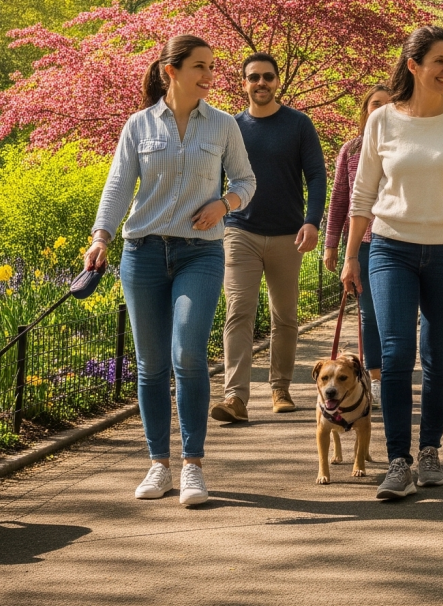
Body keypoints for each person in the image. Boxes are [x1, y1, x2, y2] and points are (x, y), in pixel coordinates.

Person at [87, 35, 256, 507]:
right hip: (141, 253)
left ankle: (193, 466)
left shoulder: (223, 126)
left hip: (200, 254)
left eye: (211, 66)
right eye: (200, 66)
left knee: (188, 354)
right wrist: (101, 237)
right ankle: (159, 463)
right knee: (151, 364)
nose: (209, 75)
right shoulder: (139, 126)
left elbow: (246, 180)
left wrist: (225, 204)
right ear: (171, 71)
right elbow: (118, 185)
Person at [342, 26, 443, 500]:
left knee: (437, 356)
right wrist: (350, 256)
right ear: (414, 65)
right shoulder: (382, 120)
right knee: (394, 354)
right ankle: (397, 460)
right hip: (391, 248)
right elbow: (363, 192)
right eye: (439, 61)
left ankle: (429, 451)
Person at [210, 53, 327, 423]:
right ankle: (235, 398)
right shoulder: (230, 127)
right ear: (243, 83)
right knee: (239, 311)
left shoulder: (298, 125)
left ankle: (280, 387)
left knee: (285, 316)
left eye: (267, 77)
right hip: (239, 231)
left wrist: (312, 222)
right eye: (253, 77)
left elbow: (317, 177)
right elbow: (212, 178)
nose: (260, 83)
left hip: (288, 235)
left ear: (277, 82)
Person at [325, 85, 394, 390]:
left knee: (393, 311)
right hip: (363, 241)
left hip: (396, 238)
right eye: (374, 104)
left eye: (387, 104)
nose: (380, 109)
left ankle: (394, 373)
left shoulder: (403, 144)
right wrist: (331, 246)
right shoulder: (351, 149)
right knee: (368, 312)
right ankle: (375, 378)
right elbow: (340, 198)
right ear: (366, 110)